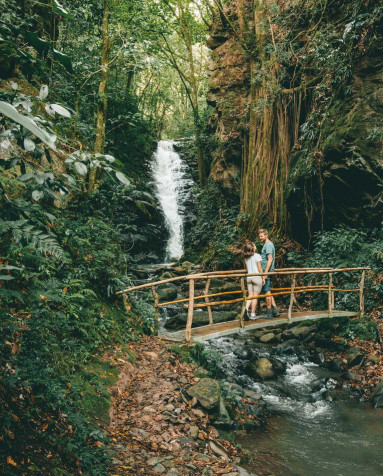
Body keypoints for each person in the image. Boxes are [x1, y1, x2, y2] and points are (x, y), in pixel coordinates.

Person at [259, 228, 280, 318]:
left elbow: (270, 259)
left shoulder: (268, 245)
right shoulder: (268, 244)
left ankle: (269, 312)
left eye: (261, 236)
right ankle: (275, 310)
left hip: (266, 271)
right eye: (259, 236)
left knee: (267, 291)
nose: (260, 238)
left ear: (266, 235)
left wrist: (265, 273)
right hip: (266, 271)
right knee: (268, 290)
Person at [242, 241, 265, 321]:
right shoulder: (257, 256)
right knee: (255, 297)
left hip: (249, 277)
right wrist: (263, 277)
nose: (255, 246)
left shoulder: (246, 257)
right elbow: (259, 268)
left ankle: (245, 309)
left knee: (250, 295)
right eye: (254, 245)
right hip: (256, 277)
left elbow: (247, 269)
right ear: (253, 248)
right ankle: (252, 314)